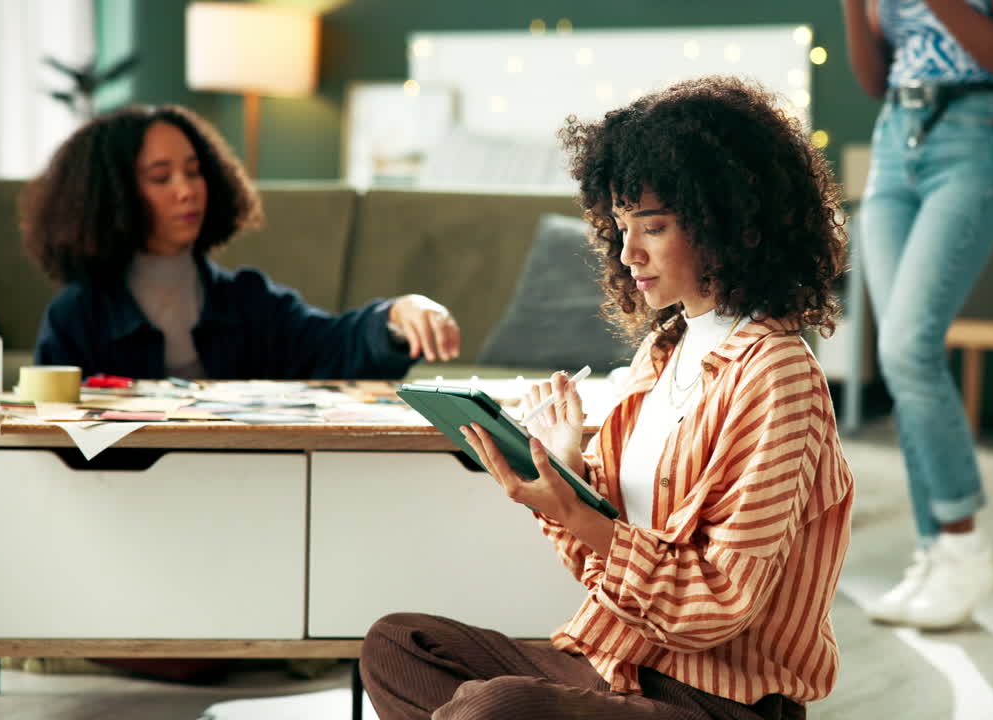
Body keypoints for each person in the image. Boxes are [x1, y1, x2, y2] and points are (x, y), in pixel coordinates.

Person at [359, 76, 854, 720]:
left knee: (495, 709)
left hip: (717, 700)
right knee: (396, 646)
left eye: (653, 226)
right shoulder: (661, 354)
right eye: (620, 226)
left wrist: (577, 513)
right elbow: (607, 564)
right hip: (613, 666)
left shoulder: (778, 378)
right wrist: (569, 477)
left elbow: (718, 606)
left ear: (730, 224)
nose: (628, 252)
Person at [841, 0, 993, 629]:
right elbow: (874, 79)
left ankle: (963, 545)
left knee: (908, 348)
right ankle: (933, 556)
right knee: (901, 359)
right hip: (894, 142)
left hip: (970, 134)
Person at [21, 104, 460, 381]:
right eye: (160, 177)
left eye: (194, 172)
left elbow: (330, 345)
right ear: (110, 195)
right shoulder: (76, 317)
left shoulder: (247, 300)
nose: (186, 190)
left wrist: (397, 315)